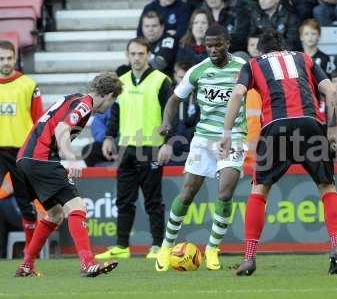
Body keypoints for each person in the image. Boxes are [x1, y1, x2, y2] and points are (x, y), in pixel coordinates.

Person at [220, 28, 337, 276]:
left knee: (259, 191)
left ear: (260, 50)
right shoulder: (304, 58)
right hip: (310, 125)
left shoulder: (253, 64)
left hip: (275, 128)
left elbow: (237, 94)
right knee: (327, 187)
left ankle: (249, 257)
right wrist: (332, 129)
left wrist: (226, 131)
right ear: (285, 47)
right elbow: (331, 91)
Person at [155, 25, 247, 271]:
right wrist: (166, 122)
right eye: (209, 46)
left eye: (218, 45)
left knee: (225, 192)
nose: (214, 50)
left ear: (227, 42)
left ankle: (213, 249)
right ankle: (165, 247)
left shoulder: (242, 68)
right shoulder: (198, 71)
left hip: (235, 136)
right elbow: (174, 100)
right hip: (203, 138)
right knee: (187, 193)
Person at [14, 73, 123, 277]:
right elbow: (62, 129)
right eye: (113, 101)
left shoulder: (73, 98)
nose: (110, 106)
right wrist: (70, 157)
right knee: (77, 207)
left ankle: (26, 266)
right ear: (108, 95)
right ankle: (88, 263)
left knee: (55, 214)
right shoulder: (85, 105)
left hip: (24, 160)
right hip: (42, 158)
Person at [95, 38, 172, 260]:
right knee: (123, 200)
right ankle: (121, 246)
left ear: (148, 54)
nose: (136, 58)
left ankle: (157, 245)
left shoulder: (161, 80)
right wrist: (109, 136)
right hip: (126, 148)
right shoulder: (122, 81)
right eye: (133, 54)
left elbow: (170, 114)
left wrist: (168, 142)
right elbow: (115, 112)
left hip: (152, 148)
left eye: (141, 54)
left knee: (153, 201)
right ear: (127, 56)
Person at [0, 40, 42, 255]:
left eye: (9, 58)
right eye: (1, 58)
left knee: (26, 204)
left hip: (20, 152)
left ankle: (29, 256)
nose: (5, 62)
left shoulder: (28, 84)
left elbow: (37, 122)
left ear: (15, 58)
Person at [117, 11, 178, 77]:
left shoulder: (168, 40)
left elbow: (159, 64)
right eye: (147, 26)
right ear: (142, 28)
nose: (150, 29)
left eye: (154, 26)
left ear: (162, 27)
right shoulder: (140, 42)